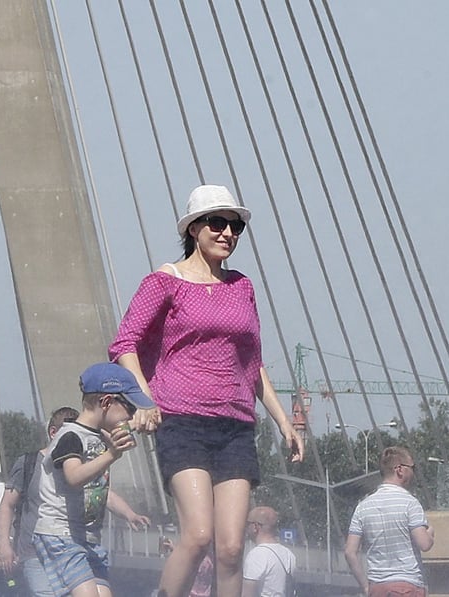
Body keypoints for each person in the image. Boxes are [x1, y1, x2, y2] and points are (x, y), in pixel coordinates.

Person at [108, 184, 304, 597]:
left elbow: (252, 363)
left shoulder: (242, 287)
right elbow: (123, 344)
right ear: (193, 228)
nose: (227, 233)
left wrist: (285, 423)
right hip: (182, 420)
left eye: (235, 226)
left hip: (235, 425)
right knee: (198, 535)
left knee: (231, 548)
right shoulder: (165, 281)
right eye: (217, 223)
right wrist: (143, 401)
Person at [0, 406, 151, 596]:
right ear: (54, 433)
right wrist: (4, 544)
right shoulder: (29, 462)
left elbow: (102, 493)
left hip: (76, 543)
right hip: (35, 551)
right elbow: (7, 504)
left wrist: (130, 514)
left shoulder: (83, 463)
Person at [31, 362, 153, 597]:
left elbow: (98, 488)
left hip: (87, 537)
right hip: (61, 533)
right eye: (128, 405)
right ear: (106, 402)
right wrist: (111, 454)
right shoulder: (70, 436)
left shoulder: (99, 436)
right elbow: (74, 477)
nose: (131, 413)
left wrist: (129, 513)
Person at [344, 446, 434, 597]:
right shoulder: (410, 503)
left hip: (377, 587)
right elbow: (424, 544)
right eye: (413, 467)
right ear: (400, 469)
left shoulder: (363, 506)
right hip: (407, 585)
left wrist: (366, 587)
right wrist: (430, 532)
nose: (414, 472)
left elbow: (349, 552)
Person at [242, 506, 297, 597]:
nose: (246, 528)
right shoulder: (289, 554)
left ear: (255, 526)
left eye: (248, 524)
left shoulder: (257, 555)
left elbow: (247, 594)